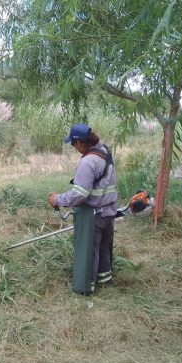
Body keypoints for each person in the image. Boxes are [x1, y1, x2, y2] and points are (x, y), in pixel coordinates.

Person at [48, 123, 117, 295]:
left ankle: (86, 287)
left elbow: (80, 194)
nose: (73, 147)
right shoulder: (104, 152)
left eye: (72, 144)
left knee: (89, 252)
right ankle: (105, 281)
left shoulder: (87, 162)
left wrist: (57, 199)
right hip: (108, 211)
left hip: (94, 214)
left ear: (79, 143)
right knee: (103, 248)